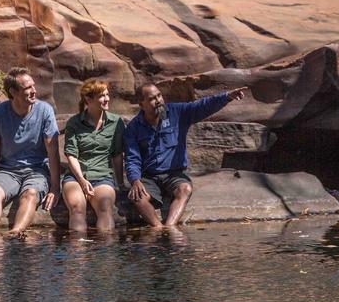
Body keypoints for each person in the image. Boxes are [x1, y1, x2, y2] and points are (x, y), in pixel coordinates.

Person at [124, 83, 247, 227]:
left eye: (159, 96)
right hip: (149, 177)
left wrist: (227, 97)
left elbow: (202, 106)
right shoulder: (133, 128)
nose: (158, 101)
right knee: (137, 197)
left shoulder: (177, 112)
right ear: (141, 104)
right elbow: (132, 158)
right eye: (152, 98)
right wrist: (135, 180)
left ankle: (169, 227)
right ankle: (158, 228)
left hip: (174, 175)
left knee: (185, 189)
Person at [0, 68, 61, 237]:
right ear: (13, 92)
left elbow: (53, 151)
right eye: (27, 88)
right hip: (7, 170)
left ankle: (16, 232)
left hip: (37, 170)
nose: (34, 90)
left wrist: (55, 187)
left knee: (30, 193)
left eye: (33, 86)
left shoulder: (45, 111)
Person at [61, 79, 125, 234]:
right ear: (89, 100)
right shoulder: (74, 123)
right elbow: (71, 154)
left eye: (107, 95)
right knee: (77, 208)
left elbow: (117, 155)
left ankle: (105, 255)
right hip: (76, 178)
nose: (107, 99)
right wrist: (82, 181)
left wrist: (121, 184)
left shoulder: (116, 122)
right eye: (102, 96)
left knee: (105, 207)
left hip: (102, 177)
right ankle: (79, 255)